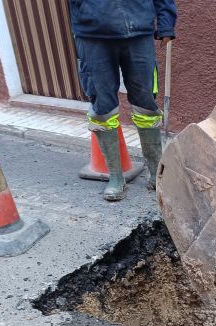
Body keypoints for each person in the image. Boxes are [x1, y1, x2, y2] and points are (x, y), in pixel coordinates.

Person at [69, 0, 177, 201]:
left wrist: (166, 24)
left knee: (146, 104)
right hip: (93, 36)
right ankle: (116, 178)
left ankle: (156, 174)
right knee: (102, 109)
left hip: (139, 33)